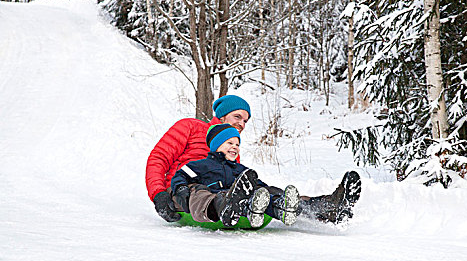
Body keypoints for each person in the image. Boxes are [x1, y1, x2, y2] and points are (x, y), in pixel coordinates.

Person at [146, 94, 361, 224]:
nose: (242, 124)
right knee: (200, 193)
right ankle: (223, 205)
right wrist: (159, 195)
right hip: (184, 193)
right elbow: (158, 158)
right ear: (222, 117)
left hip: (220, 192)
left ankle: (323, 207)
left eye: (245, 120)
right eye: (237, 117)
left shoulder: (231, 149)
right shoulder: (190, 127)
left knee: (266, 191)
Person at [171, 124, 300, 227]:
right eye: (230, 143)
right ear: (216, 145)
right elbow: (180, 175)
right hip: (214, 201)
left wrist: (268, 192)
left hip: (239, 201)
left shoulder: (240, 169)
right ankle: (228, 209)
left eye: (237, 144)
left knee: (261, 190)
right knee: (198, 191)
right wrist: (181, 188)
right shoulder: (201, 165)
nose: (235, 147)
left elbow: (258, 185)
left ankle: (279, 207)